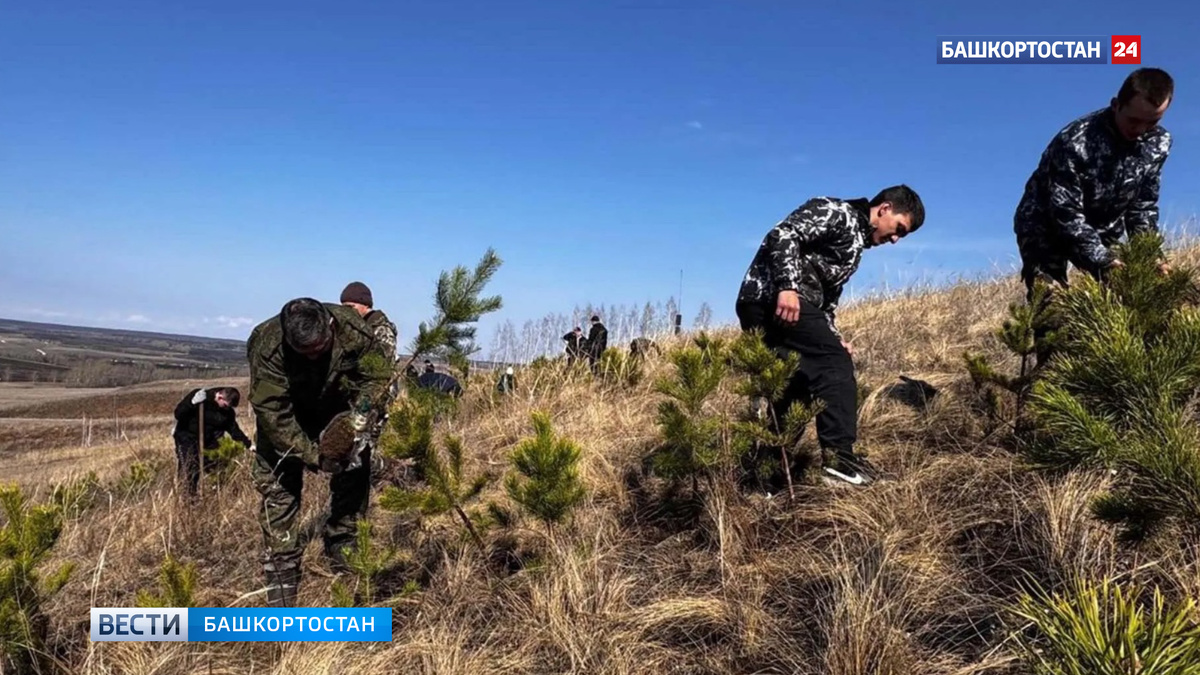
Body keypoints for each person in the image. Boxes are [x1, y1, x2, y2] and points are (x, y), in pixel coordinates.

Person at [735, 185, 925, 487]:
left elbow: (826, 302)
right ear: (885, 208)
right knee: (834, 364)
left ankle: (763, 481)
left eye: (902, 236)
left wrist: (835, 337)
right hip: (771, 299)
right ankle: (839, 460)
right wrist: (787, 287)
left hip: (788, 305)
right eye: (898, 229)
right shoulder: (836, 212)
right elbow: (783, 235)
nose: (895, 240)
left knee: (796, 388)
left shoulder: (854, 247)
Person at [246, 297, 391, 607]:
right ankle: (282, 569)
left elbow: (376, 377)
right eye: (304, 352)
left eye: (320, 349)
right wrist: (314, 456)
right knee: (279, 488)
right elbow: (273, 414)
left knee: (354, 472)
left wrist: (359, 416)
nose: (313, 356)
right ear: (288, 339)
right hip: (287, 419)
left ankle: (343, 542)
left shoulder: (354, 330)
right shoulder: (266, 345)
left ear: (330, 325)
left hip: (338, 412)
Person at [1014, 67, 1174, 301]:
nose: (1140, 131)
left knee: (1128, 295)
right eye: (1133, 120)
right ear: (1116, 105)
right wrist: (1103, 260)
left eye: (1152, 122)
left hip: (1103, 226)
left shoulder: (1158, 143)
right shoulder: (1075, 142)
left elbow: (1142, 207)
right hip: (1045, 224)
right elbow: (1065, 214)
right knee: (1051, 304)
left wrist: (1150, 255)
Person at [171, 386, 252, 496]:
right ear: (219, 397)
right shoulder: (200, 398)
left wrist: (248, 444)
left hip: (208, 440)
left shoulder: (227, 412)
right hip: (186, 437)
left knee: (216, 465)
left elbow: (234, 430)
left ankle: (215, 494)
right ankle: (186, 498)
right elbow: (178, 414)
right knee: (189, 468)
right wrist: (192, 403)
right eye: (225, 405)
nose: (226, 409)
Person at [340, 281, 398, 362]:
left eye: (351, 306)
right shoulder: (352, 327)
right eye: (344, 307)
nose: (347, 310)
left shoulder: (382, 330)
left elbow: (384, 364)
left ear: (366, 305)